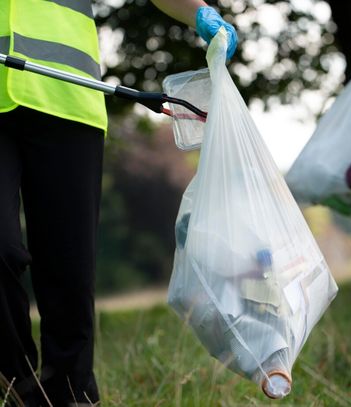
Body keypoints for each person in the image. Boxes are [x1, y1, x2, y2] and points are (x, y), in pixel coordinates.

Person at [0, 0, 237, 405]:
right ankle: (14, 389)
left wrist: (199, 12)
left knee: (68, 269)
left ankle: (71, 394)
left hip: (67, 98)